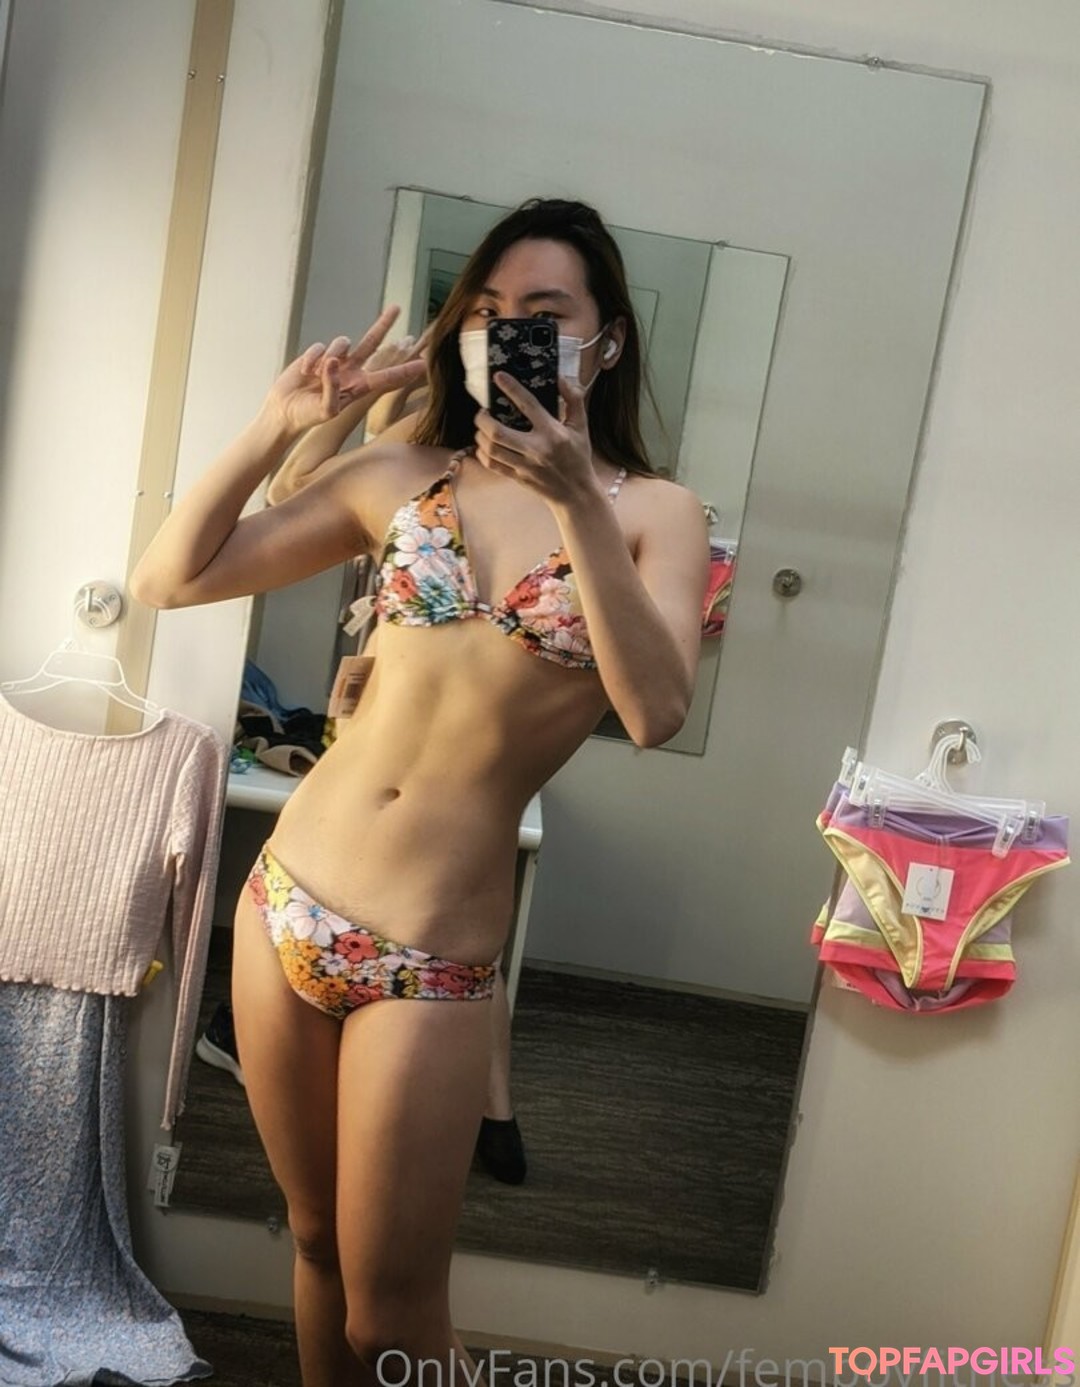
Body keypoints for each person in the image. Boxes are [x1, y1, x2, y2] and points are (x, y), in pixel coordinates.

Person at [131, 198, 708, 1386]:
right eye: (487, 311)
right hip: (288, 901)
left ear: (604, 341)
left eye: (544, 312)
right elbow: (169, 578)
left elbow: (655, 711)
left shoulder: (657, 514)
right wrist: (278, 424)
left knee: (391, 1323)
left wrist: (575, 501)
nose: (509, 332)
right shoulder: (403, 471)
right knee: (312, 1242)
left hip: (433, 957)